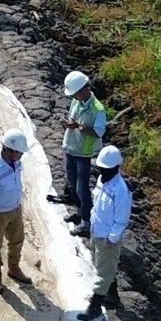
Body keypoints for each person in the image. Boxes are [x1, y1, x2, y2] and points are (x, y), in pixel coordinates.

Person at [78, 146, 131, 321]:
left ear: (115, 168)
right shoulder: (102, 180)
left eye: (105, 169)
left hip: (108, 238)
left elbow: (121, 219)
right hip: (96, 232)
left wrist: (112, 238)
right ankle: (112, 295)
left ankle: (94, 307)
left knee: (103, 273)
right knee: (102, 266)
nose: (101, 171)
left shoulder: (121, 190)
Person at [0, 131, 32, 289]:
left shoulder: (16, 162)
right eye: (20, 152)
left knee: (17, 239)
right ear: (9, 150)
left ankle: (14, 268)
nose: (22, 155)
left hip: (15, 208)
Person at [60, 71, 110, 234]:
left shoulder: (97, 109)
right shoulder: (77, 101)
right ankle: (79, 213)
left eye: (74, 94)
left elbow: (98, 132)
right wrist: (69, 124)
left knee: (82, 188)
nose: (73, 97)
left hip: (83, 153)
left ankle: (86, 223)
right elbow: (73, 119)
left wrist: (79, 127)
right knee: (72, 185)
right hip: (71, 148)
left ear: (83, 90)